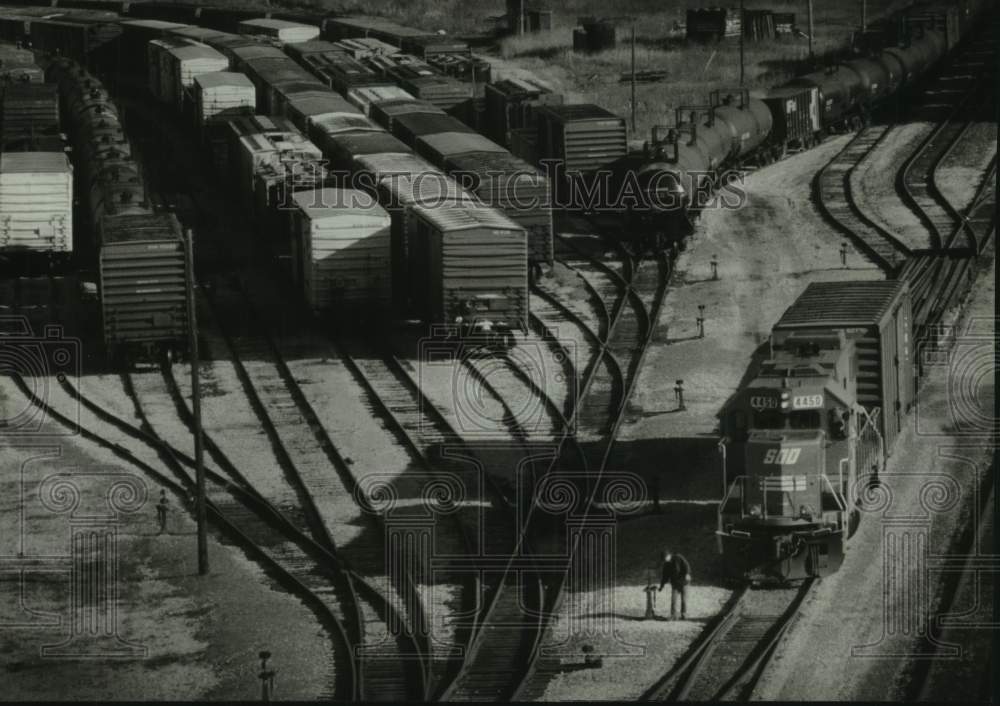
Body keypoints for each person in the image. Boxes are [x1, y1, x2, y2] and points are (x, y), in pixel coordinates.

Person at [658, 549, 692, 619]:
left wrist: (687, 574)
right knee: (673, 600)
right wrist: (661, 586)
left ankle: (684, 614)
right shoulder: (666, 564)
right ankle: (673, 615)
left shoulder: (678, 557)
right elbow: (665, 576)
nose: (665, 560)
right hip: (675, 584)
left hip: (684, 582)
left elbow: (686, 566)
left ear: (669, 555)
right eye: (663, 559)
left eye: (665, 558)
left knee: (684, 600)